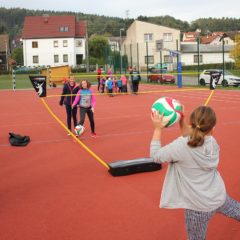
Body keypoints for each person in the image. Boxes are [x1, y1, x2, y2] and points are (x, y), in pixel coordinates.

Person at [150, 106, 240, 240]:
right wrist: (181, 122)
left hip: (197, 207)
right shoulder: (212, 142)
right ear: (213, 129)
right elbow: (192, 138)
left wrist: (157, 128)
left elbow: (156, 156)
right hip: (218, 196)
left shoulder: (182, 146)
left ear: (192, 124)